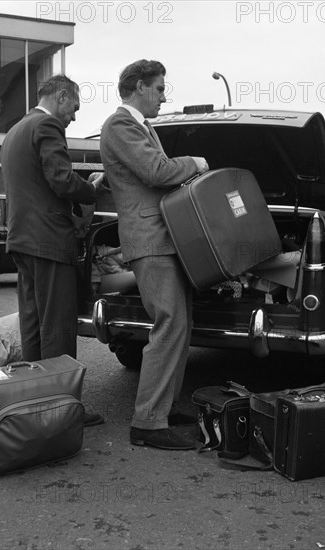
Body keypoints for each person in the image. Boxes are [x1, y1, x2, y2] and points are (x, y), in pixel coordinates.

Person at [100, 60, 209, 450]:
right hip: (150, 240)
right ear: (140, 87)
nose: (164, 96)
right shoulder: (120, 125)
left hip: (165, 238)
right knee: (169, 324)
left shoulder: (139, 127)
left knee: (180, 325)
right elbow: (157, 172)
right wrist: (195, 163)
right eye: (160, 88)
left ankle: (165, 407)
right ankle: (147, 422)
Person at [1, 74, 105, 427]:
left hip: (21, 239)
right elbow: (60, 179)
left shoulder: (16, 130)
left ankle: (35, 403)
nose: (73, 117)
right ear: (62, 96)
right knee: (58, 326)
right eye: (74, 107)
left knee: (33, 324)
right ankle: (62, 410)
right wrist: (91, 189)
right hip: (48, 240)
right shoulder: (46, 125)